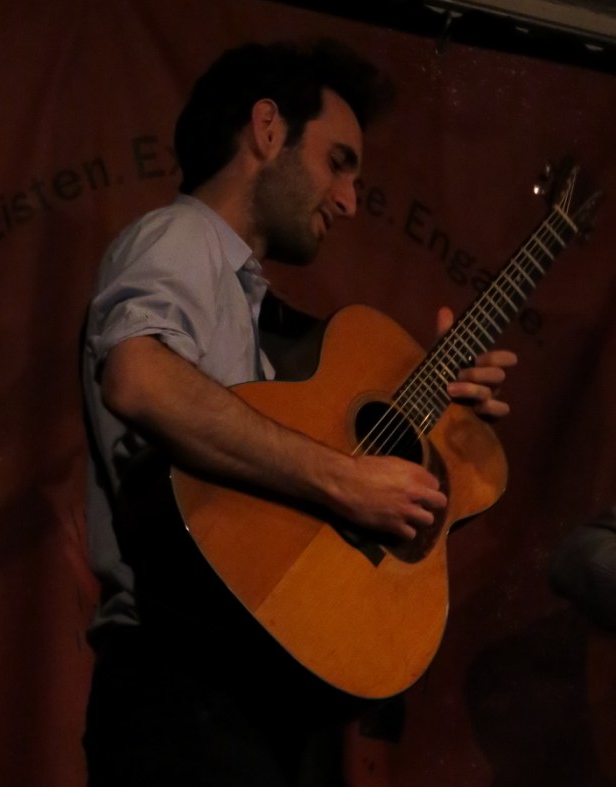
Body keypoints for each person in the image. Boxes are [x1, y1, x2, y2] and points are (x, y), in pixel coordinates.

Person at [81, 39, 518, 787]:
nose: (348, 199)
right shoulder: (181, 239)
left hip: (250, 695)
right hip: (181, 687)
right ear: (267, 129)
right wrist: (344, 481)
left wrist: (443, 421)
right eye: (338, 162)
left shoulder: (257, 314)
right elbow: (139, 376)